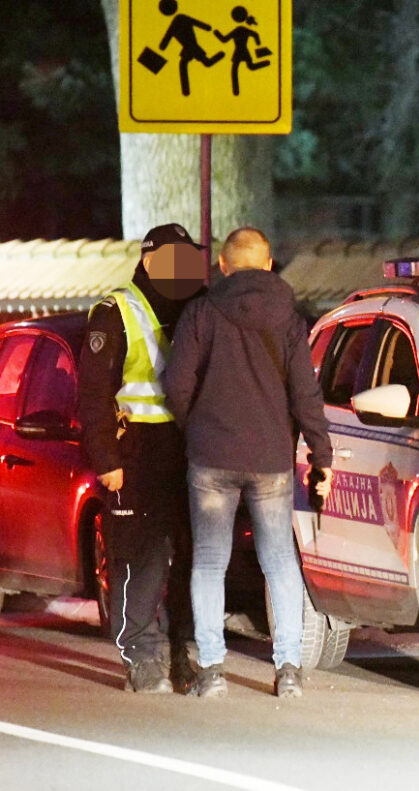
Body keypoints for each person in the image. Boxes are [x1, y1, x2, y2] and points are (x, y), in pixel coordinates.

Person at [163, 226, 333, 699]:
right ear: (268, 263)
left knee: (210, 561)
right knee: (279, 561)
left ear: (222, 265)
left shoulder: (200, 312)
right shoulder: (291, 318)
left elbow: (176, 382)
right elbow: (306, 393)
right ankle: (290, 670)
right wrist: (322, 454)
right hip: (271, 459)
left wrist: (195, 425)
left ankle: (213, 669)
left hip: (211, 457)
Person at [78, 222, 206, 694]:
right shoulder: (116, 312)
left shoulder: (197, 305)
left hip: (188, 448)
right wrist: (106, 459)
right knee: (137, 558)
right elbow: (92, 396)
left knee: (190, 556)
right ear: (150, 261)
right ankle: (141, 653)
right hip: (134, 452)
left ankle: (181, 654)